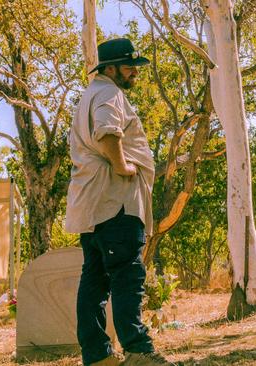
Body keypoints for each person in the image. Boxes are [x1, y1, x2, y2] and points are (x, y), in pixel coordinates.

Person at [66, 38, 172, 366]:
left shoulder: (91, 94)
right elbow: (108, 131)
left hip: (95, 206)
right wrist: (123, 165)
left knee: (95, 281)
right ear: (110, 69)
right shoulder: (109, 93)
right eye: (129, 67)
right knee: (128, 274)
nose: (134, 74)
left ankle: (97, 356)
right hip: (115, 203)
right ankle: (138, 350)